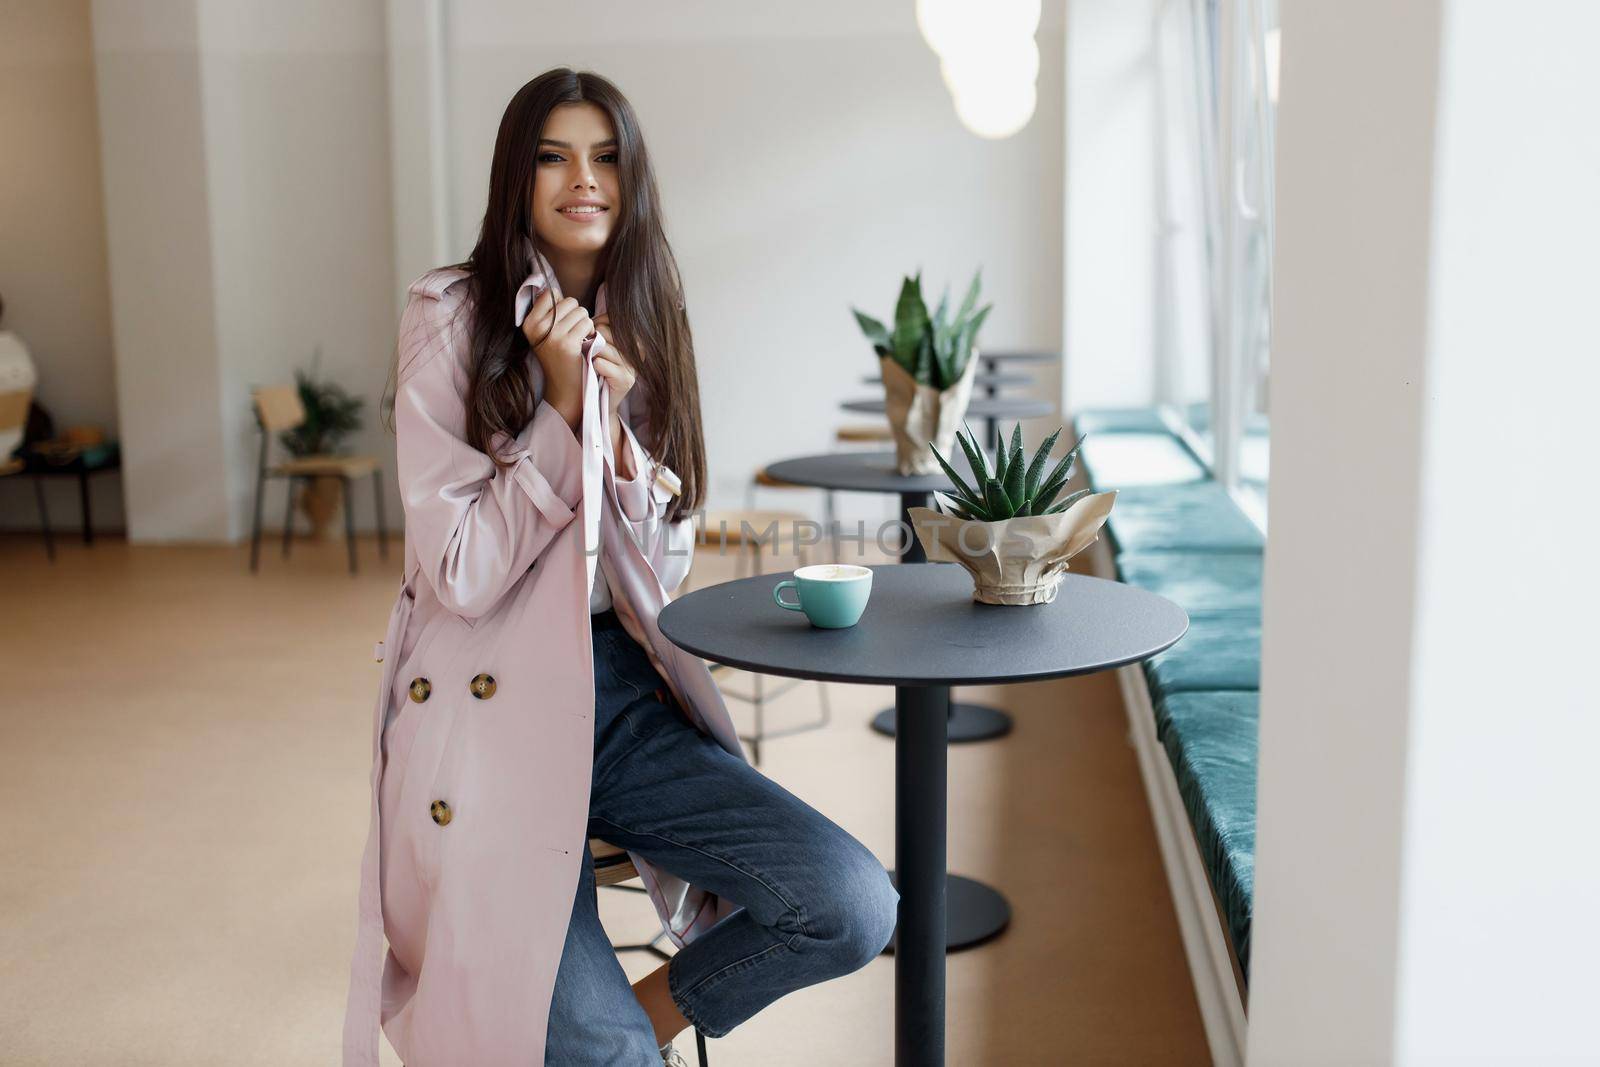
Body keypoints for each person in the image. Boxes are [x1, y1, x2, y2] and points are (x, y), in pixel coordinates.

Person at [342, 68, 899, 1067]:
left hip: (619, 699)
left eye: (604, 156)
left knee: (852, 902)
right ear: (518, 176)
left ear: (632, 176)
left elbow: (663, 560)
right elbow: (462, 571)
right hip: (488, 709)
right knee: (599, 1054)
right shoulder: (450, 313)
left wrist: (621, 441)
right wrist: (560, 411)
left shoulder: (647, 314)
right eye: (553, 155)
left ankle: (623, 1028)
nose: (581, 179)